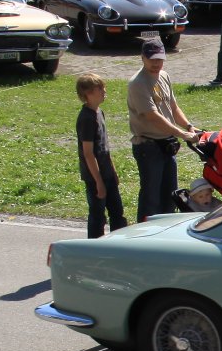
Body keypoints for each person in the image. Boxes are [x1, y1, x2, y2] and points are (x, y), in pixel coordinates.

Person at [127, 38, 201, 223]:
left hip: (167, 144)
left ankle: (165, 232)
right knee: (151, 198)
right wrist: (182, 134)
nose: (156, 64)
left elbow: (173, 107)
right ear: (142, 58)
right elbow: (152, 116)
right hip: (148, 146)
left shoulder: (164, 76)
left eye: (159, 59)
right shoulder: (138, 83)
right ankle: (144, 234)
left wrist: (189, 126)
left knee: (170, 195)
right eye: (152, 59)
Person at [76, 73, 126, 238]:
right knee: (98, 215)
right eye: (100, 88)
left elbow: (105, 147)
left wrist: (113, 171)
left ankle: (118, 242)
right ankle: (95, 245)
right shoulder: (86, 118)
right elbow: (88, 153)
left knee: (117, 212)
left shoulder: (99, 113)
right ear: (88, 93)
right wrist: (98, 181)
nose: (104, 91)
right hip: (94, 177)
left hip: (107, 173)